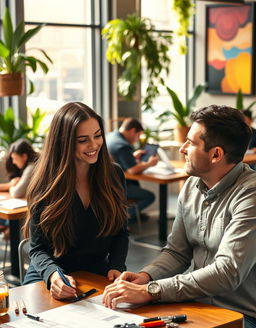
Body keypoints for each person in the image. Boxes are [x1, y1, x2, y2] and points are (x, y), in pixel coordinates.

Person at [103, 105, 256, 328]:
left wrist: (153, 291)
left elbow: (227, 272)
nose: (182, 148)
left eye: (190, 142)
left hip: (245, 321)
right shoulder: (191, 186)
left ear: (216, 154)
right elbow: (176, 252)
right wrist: (146, 276)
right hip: (199, 308)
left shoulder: (250, 195)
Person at [23, 102, 128, 301]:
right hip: (50, 275)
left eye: (97, 136)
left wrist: (116, 266)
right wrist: (53, 275)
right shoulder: (44, 183)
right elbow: (37, 249)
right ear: (64, 142)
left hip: (96, 274)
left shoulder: (114, 175)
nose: (94, 145)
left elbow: (121, 233)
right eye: (83, 140)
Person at [106, 118, 158, 222]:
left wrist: (133, 156)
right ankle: (123, 218)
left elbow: (117, 158)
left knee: (136, 185)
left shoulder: (111, 136)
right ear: (133, 131)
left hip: (108, 182)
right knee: (149, 196)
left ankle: (133, 216)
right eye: (138, 135)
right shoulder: (122, 145)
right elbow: (132, 170)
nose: (137, 139)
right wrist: (150, 163)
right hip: (116, 186)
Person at [0, 139, 38, 240]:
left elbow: (17, 193)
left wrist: (12, 186)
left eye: (15, 158)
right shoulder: (33, 165)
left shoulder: (31, 168)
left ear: (24, 157)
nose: (13, 162)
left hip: (32, 216)